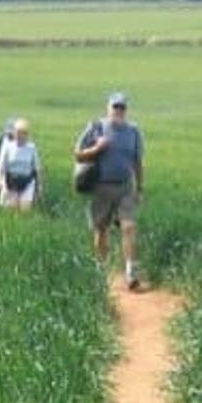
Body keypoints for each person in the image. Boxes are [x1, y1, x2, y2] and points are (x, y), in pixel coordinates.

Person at [75, 91, 145, 290]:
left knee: (129, 226)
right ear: (108, 108)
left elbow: (138, 162)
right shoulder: (96, 128)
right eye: (115, 107)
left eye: (122, 107)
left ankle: (131, 272)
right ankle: (101, 271)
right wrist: (96, 149)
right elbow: (78, 155)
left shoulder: (133, 131)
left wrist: (139, 188)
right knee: (101, 230)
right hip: (101, 187)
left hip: (125, 187)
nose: (118, 111)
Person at [0, 118, 41, 211]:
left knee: (25, 209)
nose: (21, 136)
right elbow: (1, 166)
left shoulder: (32, 148)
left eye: (24, 133)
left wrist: (39, 185)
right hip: (11, 181)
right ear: (14, 133)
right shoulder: (8, 147)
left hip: (27, 181)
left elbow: (37, 168)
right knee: (11, 209)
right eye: (18, 132)